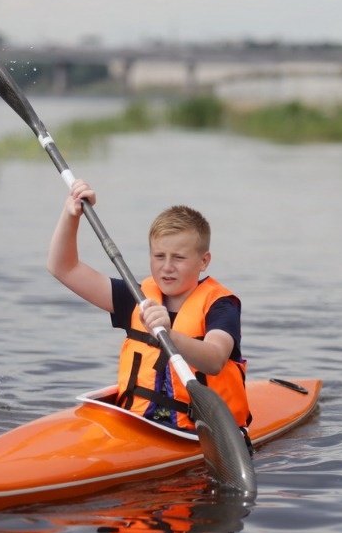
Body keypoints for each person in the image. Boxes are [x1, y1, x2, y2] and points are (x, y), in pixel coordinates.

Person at [47, 180, 251, 439]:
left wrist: (169, 334)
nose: (167, 267)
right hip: (137, 423)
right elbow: (63, 268)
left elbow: (214, 359)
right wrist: (70, 215)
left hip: (196, 432)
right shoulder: (137, 297)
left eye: (178, 258)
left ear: (204, 261)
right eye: (159, 256)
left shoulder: (221, 306)